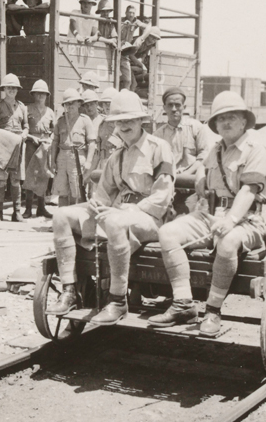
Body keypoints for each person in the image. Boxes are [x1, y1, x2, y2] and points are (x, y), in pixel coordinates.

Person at [47, 90, 175, 325]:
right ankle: (69, 290)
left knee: (115, 221)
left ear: (141, 121)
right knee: (61, 215)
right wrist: (96, 203)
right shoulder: (116, 156)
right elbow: (104, 193)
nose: (124, 125)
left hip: (149, 219)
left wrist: (125, 212)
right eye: (119, 121)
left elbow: (162, 198)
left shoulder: (159, 148)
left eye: (130, 120)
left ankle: (117, 301)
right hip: (117, 215)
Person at [148, 91, 266, 336]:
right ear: (214, 124)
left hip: (247, 220)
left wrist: (231, 220)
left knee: (227, 242)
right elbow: (203, 173)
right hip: (212, 215)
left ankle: (213, 310)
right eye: (220, 118)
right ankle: (183, 304)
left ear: (244, 121)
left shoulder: (255, 148)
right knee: (168, 232)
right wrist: (202, 174)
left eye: (232, 117)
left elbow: (248, 190)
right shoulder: (215, 150)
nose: (225, 122)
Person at [154, 87, 215, 215]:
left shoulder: (196, 127)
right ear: (164, 108)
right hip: (167, 187)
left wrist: (187, 173)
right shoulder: (157, 135)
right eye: (170, 105)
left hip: (190, 187)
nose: (174, 109)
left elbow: (204, 157)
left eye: (178, 105)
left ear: (184, 107)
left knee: (186, 220)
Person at [0, 73, 29, 222]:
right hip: (2, 147)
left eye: (14, 88)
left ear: (17, 90)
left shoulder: (22, 107)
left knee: (16, 181)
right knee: (1, 181)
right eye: (9, 87)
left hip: (17, 147)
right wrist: (3, 135)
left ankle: (17, 213)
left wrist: (24, 133)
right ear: (4, 89)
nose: (12, 90)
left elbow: (26, 127)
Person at [51, 88, 96, 207]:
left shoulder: (85, 120)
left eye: (72, 102)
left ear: (79, 103)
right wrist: (52, 161)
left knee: (77, 191)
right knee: (62, 191)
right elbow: (55, 142)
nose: (70, 106)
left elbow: (92, 143)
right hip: (62, 157)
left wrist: (89, 161)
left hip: (78, 157)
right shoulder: (60, 121)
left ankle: (76, 221)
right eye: (67, 103)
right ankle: (62, 220)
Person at [23, 79, 55, 219]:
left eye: (43, 94)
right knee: (30, 175)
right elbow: (22, 129)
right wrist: (31, 137)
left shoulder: (50, 112)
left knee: (43, 175)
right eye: (38, 94)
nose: (40, 96)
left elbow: (55, 130)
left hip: (45, 145)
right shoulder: (27, 109)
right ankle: (28, 208)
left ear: (47, 96)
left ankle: (41, 208)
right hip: (31, 144)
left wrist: (51, 139)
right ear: (33, 95)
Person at [91, 87, 123, 172]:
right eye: (105, 103)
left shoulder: (122, 124)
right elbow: (97, 153)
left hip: (118, 165)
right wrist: (88, 174)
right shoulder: (102, 124)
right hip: (104, 165)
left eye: (110, 103)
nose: (107, 106)